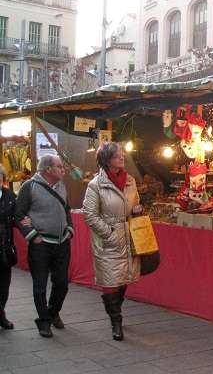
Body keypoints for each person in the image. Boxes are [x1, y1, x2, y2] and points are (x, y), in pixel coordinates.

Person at [82, 142, 142, 341]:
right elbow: (90, 215)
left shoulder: (130, 181)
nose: (122, 157)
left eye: (122, 154)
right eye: (117, 155)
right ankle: (116, 321)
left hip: (128, 236)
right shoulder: (95, 185)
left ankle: (117, 311)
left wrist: (136, 210)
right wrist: (109, 233)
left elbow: (136, 201)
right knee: (110, 282)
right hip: (108, 239)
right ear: (107, 160)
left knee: (124, 278)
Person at [15, 154, 73, 338]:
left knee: (62, 283)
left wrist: (70, 228)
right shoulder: (29, 186)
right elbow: (18, 214)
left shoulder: (62, 186)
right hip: (41, 244)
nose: (63, 170)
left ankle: (53, 311)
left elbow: (66, 209)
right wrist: (33, 236)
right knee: (40, 285)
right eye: (59, 167)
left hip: (62, 242)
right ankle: (44, 321)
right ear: (48, 169)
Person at [0, 166, 16, 330]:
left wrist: (27, 223)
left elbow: (17, 216)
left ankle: (1, 312)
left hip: (5, 247)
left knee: (4, 286)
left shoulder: (9, 195)